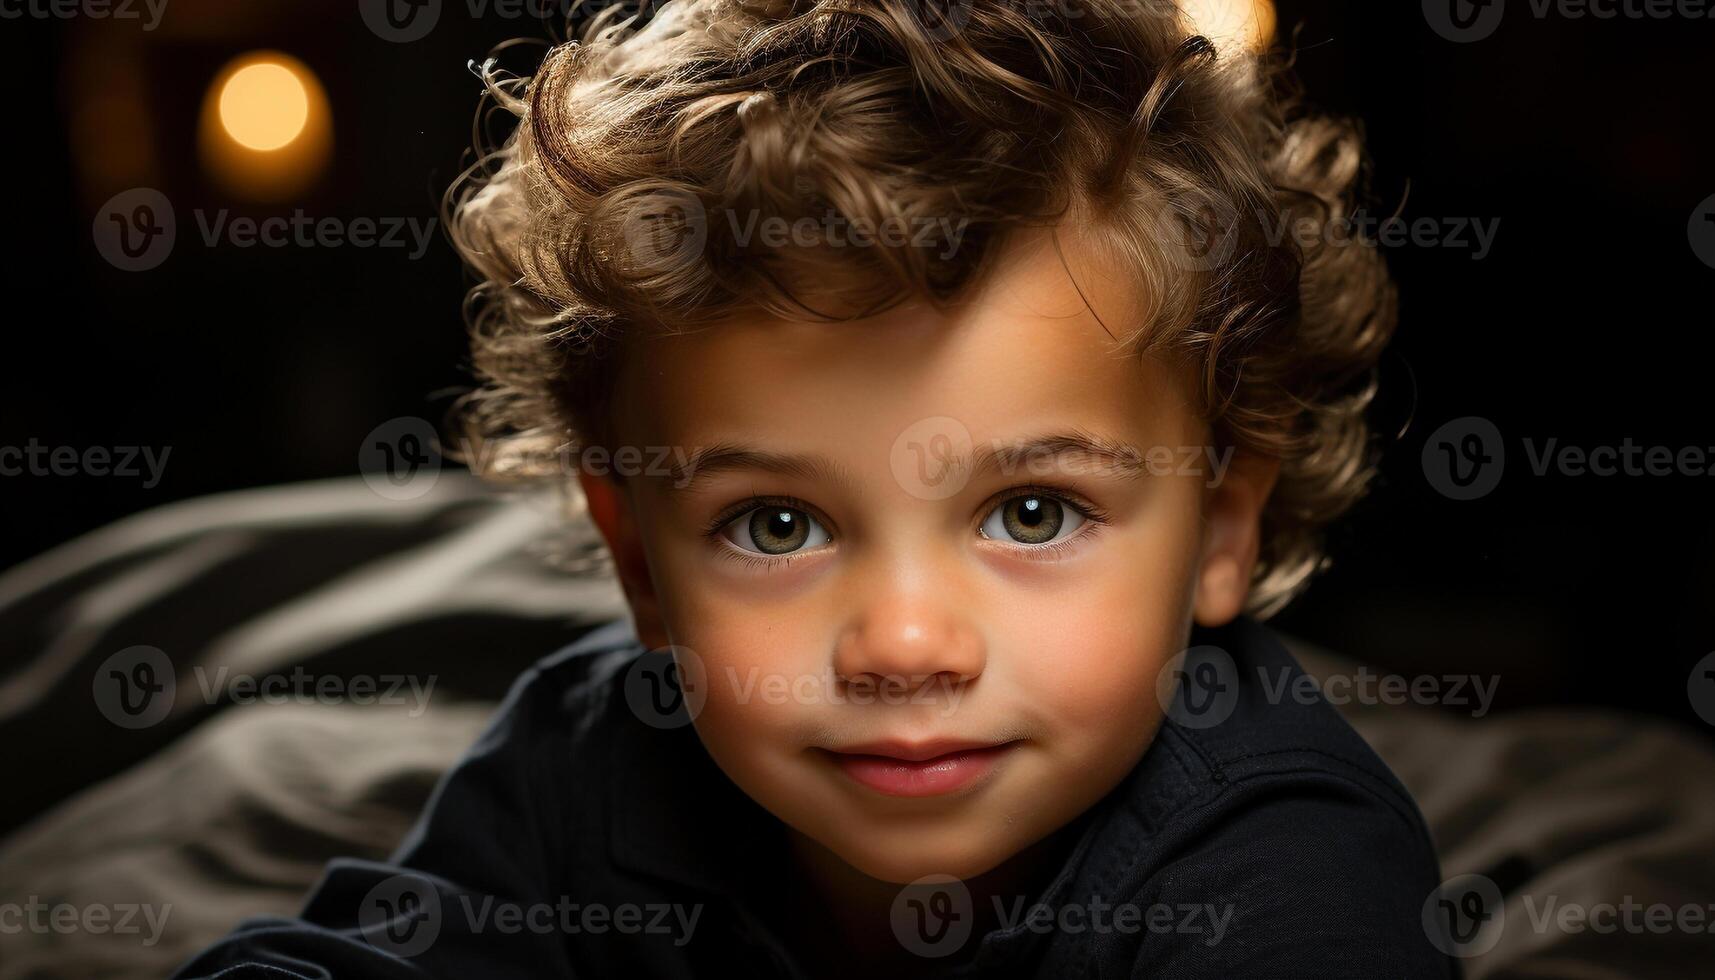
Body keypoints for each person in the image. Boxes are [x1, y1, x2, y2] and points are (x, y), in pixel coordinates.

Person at [176, 1, 1452, 975]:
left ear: (1221, 522)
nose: (904, 644)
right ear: (637, 560)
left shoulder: (1286, 871)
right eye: (775, 524)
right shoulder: (596, 770)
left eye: (1032, 510)